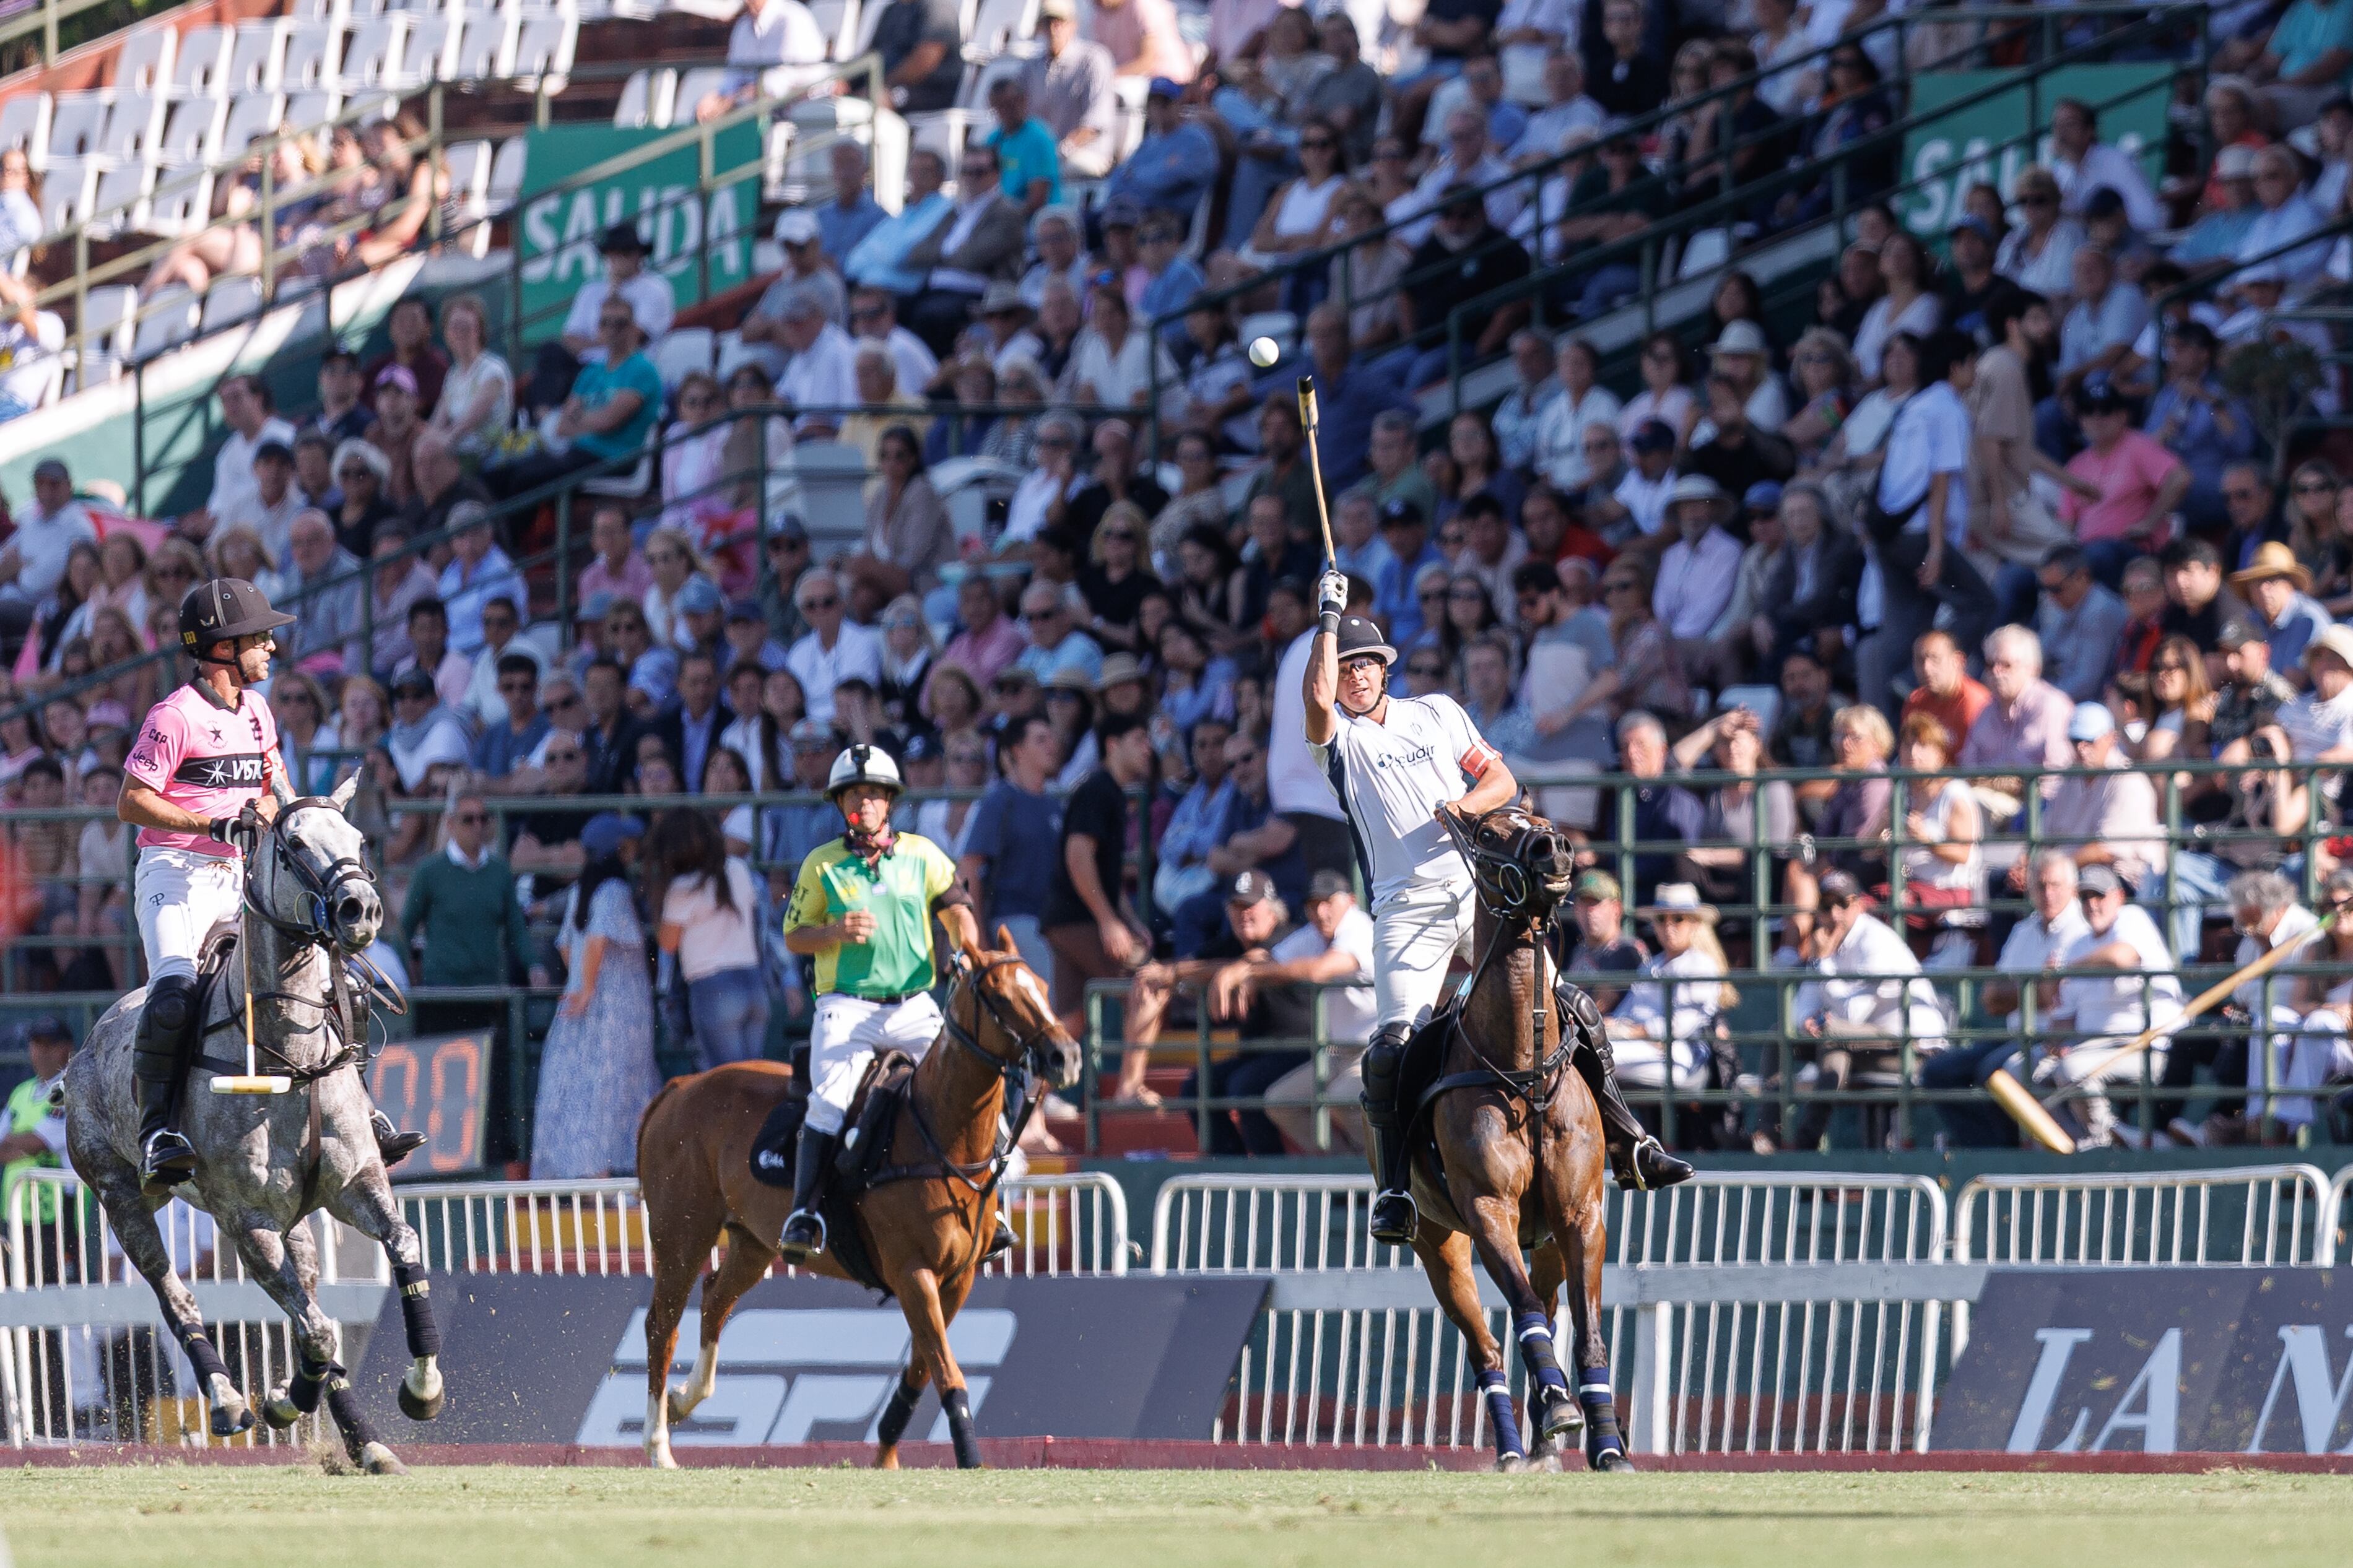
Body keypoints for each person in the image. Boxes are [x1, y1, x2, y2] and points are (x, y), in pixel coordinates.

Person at [1303, 594, 1690, 1247]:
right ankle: (1395, 1190)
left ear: (1384, 668)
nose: (1356, 676)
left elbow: (1501, 780)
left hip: (1475, 895)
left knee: (1570, 1006)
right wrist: (1327, 622)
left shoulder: (1438, 713)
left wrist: (1461, 805)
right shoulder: (1339, 741)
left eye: (1365, 664)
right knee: (1391, 1047)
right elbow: (1314, 702)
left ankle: (1628, 1140)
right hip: (1405, 913)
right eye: (1345, 667)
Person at [116, 578, 419, 1192]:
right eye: (260, 637)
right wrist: (212, 820)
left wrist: (284, 820)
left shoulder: (257, 711)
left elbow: (269, 789)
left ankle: (360, 1108)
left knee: (335, 981)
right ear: (223, 647)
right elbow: (132, 801)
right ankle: (156, 1132)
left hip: (243, 873)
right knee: (175, 991)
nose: (271, 649)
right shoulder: (174, 716)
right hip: (175, 874)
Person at [777, 744, 983, 1258]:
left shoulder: (924, 853)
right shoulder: (820, 864)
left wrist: (965, 951)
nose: (864, 803)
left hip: (915, 1003)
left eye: (873, 794)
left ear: (889, 801)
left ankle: (990, 1207)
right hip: (848, 1009)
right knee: (828, 1102)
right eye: (854, 794)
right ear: (841, 803)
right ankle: (805, 1214)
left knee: (970, 1084)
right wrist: (834, 930)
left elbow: (958, 911)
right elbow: (794, 936)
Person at [533, 813, 664, 1178]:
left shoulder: (582, 890)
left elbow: (565, 947)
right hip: (614, 1009)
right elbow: (596, 939)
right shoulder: (614, 891)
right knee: (613, 1091)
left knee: (585, 1094)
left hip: (586, 1007)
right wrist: (588, 987)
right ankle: (603, 1180)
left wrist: (579, 983)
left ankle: (591, 1178)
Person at [2045, 863, 2184, 1147]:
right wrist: (2054, 1044)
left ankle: (2107, 1139)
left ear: (2119, 897)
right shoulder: (2076, 944)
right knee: (2031, 1074)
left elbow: (2122, 956)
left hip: (2150, 1047)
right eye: (2085, 898)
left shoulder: (2132, 918)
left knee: (2073, 1070)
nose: (2092, 905)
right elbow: (2061, 1021)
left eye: (2100, 896)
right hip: (2094, 1048)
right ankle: (2079, 1146)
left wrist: (2068, 968)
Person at [650, 807, 768, 1071]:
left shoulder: (682, 888)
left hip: (713, 989)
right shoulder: (738, 869)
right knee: (752, 1082)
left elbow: (667, 944)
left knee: (727, 1084)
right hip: (753, 985)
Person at [1028, 0, 1120, 178]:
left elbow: (1095, 124)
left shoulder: (1094, 60)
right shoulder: (1031, 67)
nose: (1054, 29)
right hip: (1046, 156)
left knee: (1056, 172)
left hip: (1088, 154)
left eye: (1060, 22)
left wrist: (1062, 150)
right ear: (1040, 27)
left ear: (1073, 25)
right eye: (1048, 22)